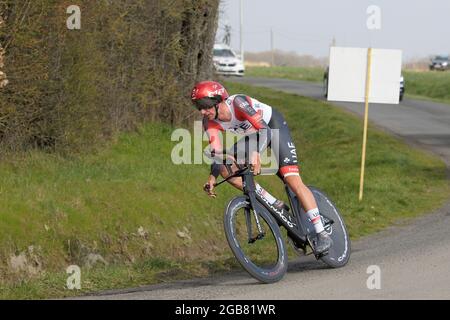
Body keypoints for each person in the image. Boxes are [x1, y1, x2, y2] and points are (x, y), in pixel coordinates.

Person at [191, 80, 332, 254]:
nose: (203, 111)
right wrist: (212, 178)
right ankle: (274, 203)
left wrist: (256, 153)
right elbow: (217, 153)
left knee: (292, 179)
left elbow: (265, 130)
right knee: (225, 169)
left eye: (205, 106)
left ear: (219, 101)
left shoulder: (238, 103)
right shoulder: (209, 122)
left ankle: (322, 232)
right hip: (255, 136)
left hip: (272, 127)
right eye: (199, 107)